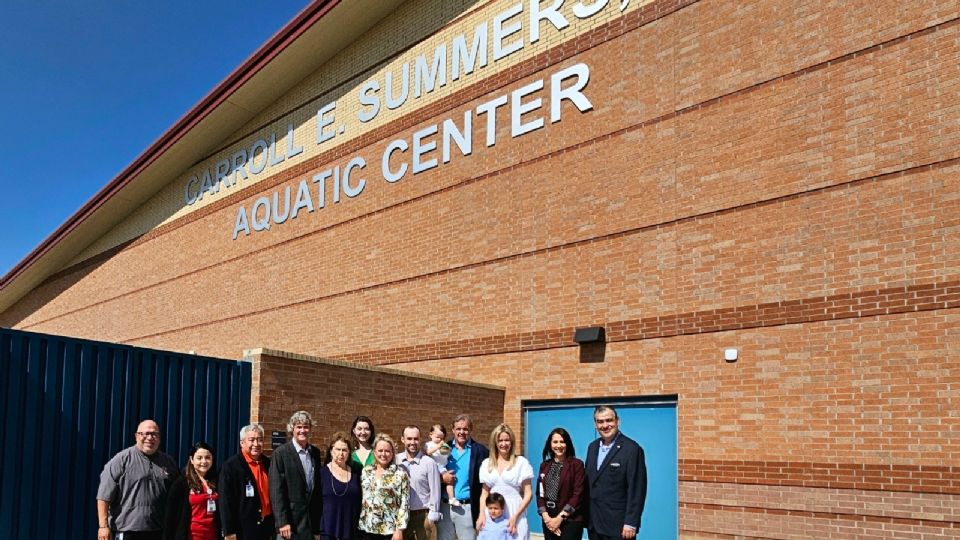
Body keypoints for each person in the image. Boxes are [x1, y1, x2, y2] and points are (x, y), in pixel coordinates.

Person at [97, 419, 180, 540]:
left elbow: (177, 495)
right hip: (127, 530)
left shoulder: (168, 462)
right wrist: (103, 527)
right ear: (136, 436)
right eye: (145, 433)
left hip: (159, 530)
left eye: (154, 434)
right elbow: (104, 496)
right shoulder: (121, 460)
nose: (150, 437)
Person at [584, 406, 647, 540]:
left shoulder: (632, 449)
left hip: (618, 527)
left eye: (609, 420)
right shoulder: (592, 447)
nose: (605, 425)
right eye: (600, 422)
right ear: (595, 424)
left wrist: (631, 523)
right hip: (594, 524)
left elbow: (636, 490)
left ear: (617, 421)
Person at [270, 411, 324, 540]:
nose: (302, 430)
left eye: (306, 426)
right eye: (299, 427)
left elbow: (315, 490)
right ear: (292, 429)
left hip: (309, 522)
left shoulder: (315, 453)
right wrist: (282, 522)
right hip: (290, 523)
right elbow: (276, 490)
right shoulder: (281, 453)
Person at [476, 424, 533, 540]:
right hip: (492, 513)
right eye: (500, 440)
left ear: (511, 442)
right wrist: (481, 514)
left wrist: (515, 517)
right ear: (495, 443)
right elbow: (484, 494)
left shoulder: (521, 462)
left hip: (515, 510)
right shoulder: (487, 463)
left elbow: (528, 494)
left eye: (507, 440)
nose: (503, 444)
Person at [219, 424, 275, 540]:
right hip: (243, 530)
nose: (256, 444)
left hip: (265, 528)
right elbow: (225, 501)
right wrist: (229, 531)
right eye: (251, 440)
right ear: (242, 442)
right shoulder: (231, 467)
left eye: (259, 440)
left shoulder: (268, 463)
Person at [437, 415, 489, 540]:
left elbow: (487, 482)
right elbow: (433, 469)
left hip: (467, 508)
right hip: (445, 508)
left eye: (465, 429)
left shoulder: (481, 451)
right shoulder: (444, 448)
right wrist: (441, 477)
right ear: (453, 430)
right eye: (458, 429)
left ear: (470, 430)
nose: (461, 432)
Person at [163, 442, 222, 540]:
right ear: (192, 460)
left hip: (213, 535)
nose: (204, 461)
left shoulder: (218, 481)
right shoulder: (181, 483)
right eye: (199, 458)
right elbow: (170, 516)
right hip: (192, 536)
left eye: (208, 457)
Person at [535, 428, 585, 540]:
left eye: (562, 442)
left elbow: (578, 494)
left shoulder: (576, 465)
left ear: (567, 444)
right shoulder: (544, 465)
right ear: (550, 444)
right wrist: (546, 517)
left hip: (570, 521)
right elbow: (540, 494)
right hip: (549, 520)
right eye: (555, 442)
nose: (559, 445)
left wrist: (559, 518)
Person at [358, 434, 409, 540]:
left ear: (392, 453)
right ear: (374, 452)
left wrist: (399, 530)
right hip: (366, 528)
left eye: (387, 451)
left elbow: (404, 504)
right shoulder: (366, 471)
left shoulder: (400, 474)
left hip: (389, 530)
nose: (384, 454)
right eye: (380, 450)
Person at [396, 426, 442, 540]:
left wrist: (432, 517)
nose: (413, 442)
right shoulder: (396, 461)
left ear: (420, 439)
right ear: (403, 439)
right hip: (401, 518)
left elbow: (435, 491)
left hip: (423, 516)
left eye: (416, 439)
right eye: (409, 438)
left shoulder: (429, 463)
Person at [320, 432, 362, 540]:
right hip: (328, 531)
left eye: (345, 450)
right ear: (331, 450)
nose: (341, 453)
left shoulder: (356, 474)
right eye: (338, 449)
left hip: (351, 531)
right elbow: (316, 504)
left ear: (349, 453)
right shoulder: (322, 474)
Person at [423, 425, 457, 507]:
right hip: (433, 467)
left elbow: (448, 455)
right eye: (437, 437)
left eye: (442, 438)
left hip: (442, 467)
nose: (440, 440)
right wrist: (437, 447)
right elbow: (427, 452)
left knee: (450, 479)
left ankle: (451, 498)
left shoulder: (443, 445)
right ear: (431, 435)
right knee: (433, 485)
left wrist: (447, 450)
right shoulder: (429, 444)